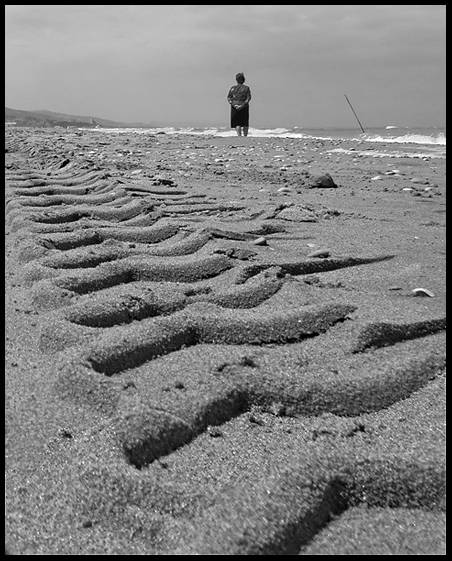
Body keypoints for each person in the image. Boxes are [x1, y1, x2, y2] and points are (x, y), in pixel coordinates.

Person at [227, 72, 252, 136]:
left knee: (237, 122)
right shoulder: (246, 88)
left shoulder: (232, 88)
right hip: (244, 106)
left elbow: (229, 97)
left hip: (235, 106)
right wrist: (243, 104)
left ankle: (239, 135)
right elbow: (248, 97)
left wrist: (234, 105)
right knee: (245, 122)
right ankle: (245, 135)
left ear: (236, 80)